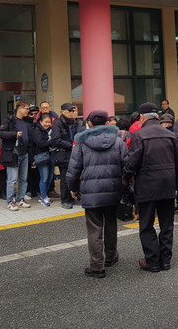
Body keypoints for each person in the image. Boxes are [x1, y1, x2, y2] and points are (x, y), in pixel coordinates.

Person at [67, 109, 128, 279]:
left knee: (94, 228)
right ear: (107, 122)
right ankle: (111, 256)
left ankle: (96, 266)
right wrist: (125, 186)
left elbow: (73, 170)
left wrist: (73, 188)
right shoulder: (118, 141)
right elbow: (127, 165)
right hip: (113, 189)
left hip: (91, 191)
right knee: (111, 224)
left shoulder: (82, 143)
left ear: (90, 123)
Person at [123, 104, 178, 272]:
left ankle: (153, 261)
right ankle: (166, 260)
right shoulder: (170, 134)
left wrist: (125, 178)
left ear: (142, 117)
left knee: (146, 224)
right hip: (168, 184)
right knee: (167, 224)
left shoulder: (139, 135)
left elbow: (132, 162)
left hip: (147, 184)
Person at [0, 101, 33, 211]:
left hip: (25, 152)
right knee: (12, 179)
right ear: (20, 108)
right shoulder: (9, 120)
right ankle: (10, 202)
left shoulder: (27, 121)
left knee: (23, 178)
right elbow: (0, 133)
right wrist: (15, 134)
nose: (28, 111)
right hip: (13, 153)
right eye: (26, 108)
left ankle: (20, 199)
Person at [51, 102, 84, 209]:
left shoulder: (75, 122)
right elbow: (56, 139)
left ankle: (74, 197)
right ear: (63, 111)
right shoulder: (57, 123)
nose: (72, 113)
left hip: (74, 154)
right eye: (70, 111)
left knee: (75, 176)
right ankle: (65, 200)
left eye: (73, 111)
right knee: (65, 178)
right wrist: (71, 145)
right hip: (63, 154)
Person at [32, 112, 54, 207]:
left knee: (50, 177)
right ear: (40, 121)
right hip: (41, 157)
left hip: (50, 156)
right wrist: (52, 142)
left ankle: (44, 195)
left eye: (49, 122)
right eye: (45, 122)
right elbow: (40, 144)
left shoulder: (50, 130)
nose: (47, 124)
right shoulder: (36, 131)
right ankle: (43, 197)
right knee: (44, 177)